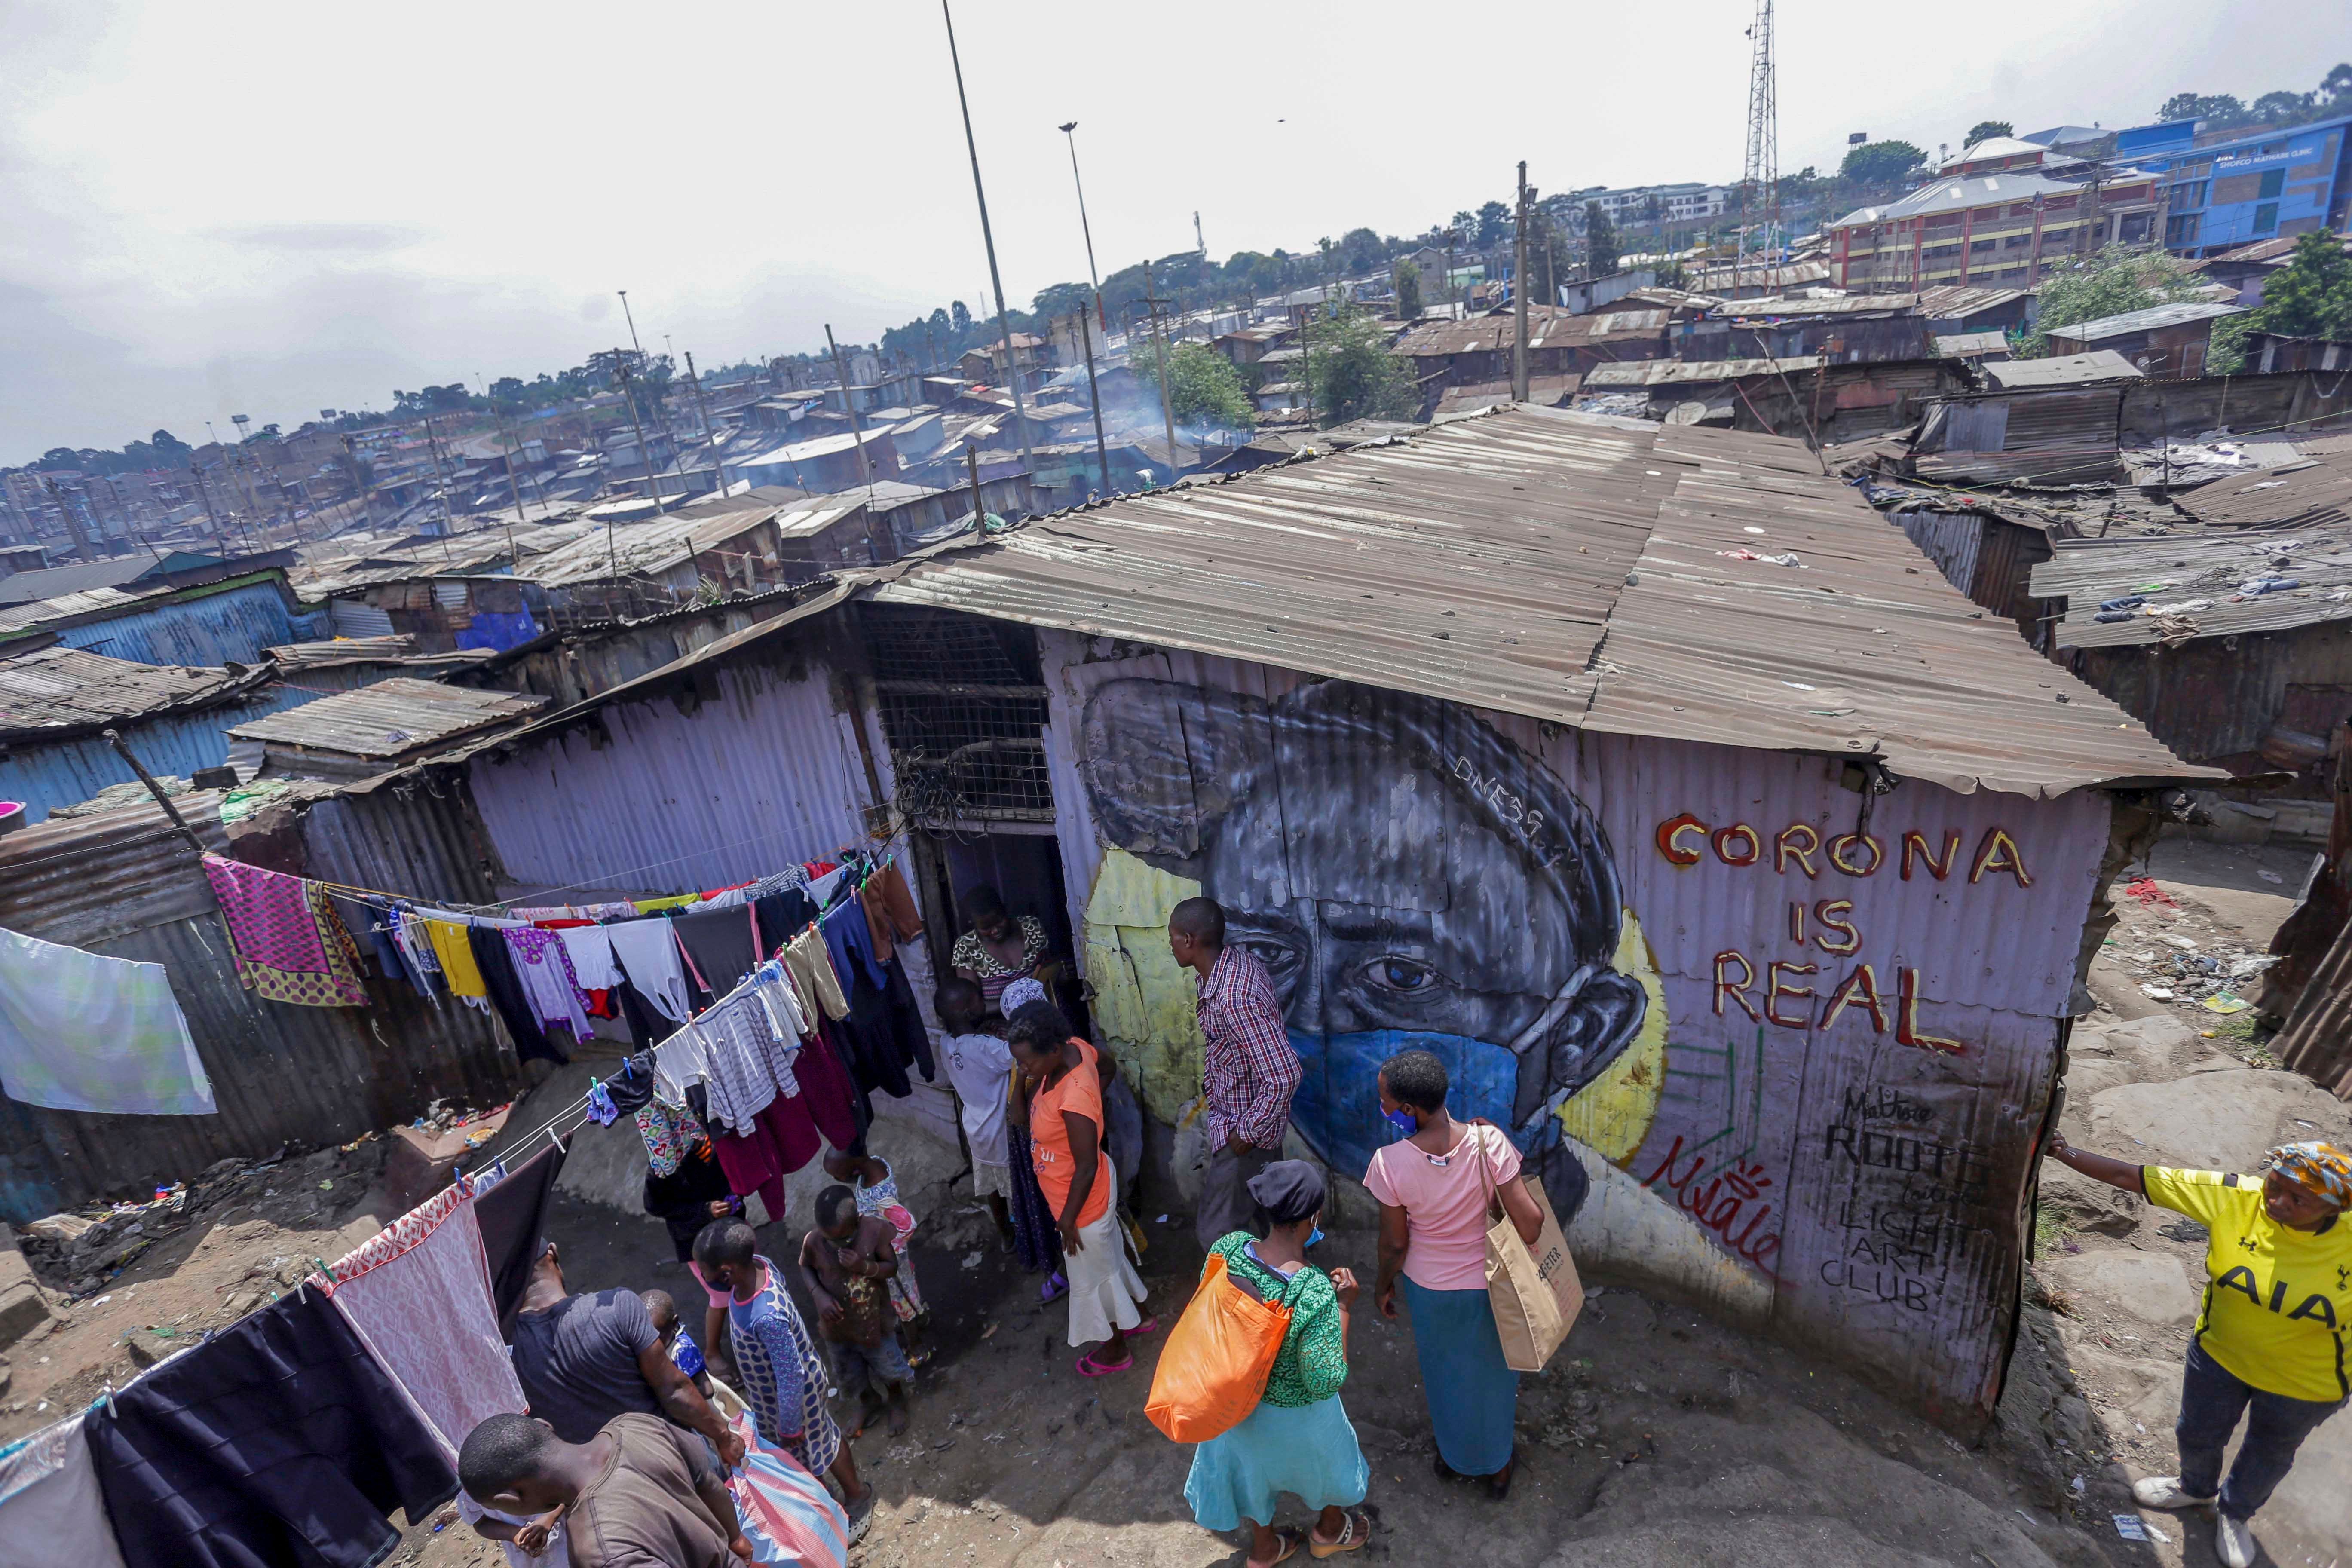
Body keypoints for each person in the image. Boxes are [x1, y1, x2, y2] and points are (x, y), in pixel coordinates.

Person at [2044, 1133, 2351, 1568]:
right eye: (2275, 1185)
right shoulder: (2236, 1198)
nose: (2278, 1202)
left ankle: (2235, 1514)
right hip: (2219, 1358)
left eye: (2298, 1200)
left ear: (2336, 1209)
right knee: (2196, 1432)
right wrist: (2060, 1150)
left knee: (2270, 1453)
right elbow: (2130, 1176)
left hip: (2305, 1386)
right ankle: (2195, 1488)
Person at [1366, 1049, 1544, 1500]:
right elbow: (1532, 1224)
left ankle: (1453, 1456)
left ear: (1410, 1109)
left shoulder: (1388, 1163)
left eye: (1385, 1101)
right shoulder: (1491, 1143)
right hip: (1493, 1286)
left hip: (1432, 1292)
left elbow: (1395, 1244)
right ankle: (1498, 1467)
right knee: (1495, 1379)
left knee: (1446, 1375)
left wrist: (1382, 1285)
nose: (1383, 1108)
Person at [1184, 1160, 1374, 1566]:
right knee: (1331, 1465)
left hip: (1234, 1407)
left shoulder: (1227, 1249)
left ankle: (1265, 1550)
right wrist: (1342, 1306)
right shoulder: (1314, 1290)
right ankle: (1327, 1532)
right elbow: (1325, 1379)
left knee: (1253, 1479)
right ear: (1314, 1219)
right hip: (1296, 1417)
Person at [692, 1219, 875, 1537]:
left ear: (727, 1273)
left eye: (708, 1276)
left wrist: (790, 1425)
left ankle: (855, 1498)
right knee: (813, 1451)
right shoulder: (759, 1268)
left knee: (818, 1450)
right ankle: (831, 1502)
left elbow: (790, 1373)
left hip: (795, 1400)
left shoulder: (767, 1317)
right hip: (779, 1399)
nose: (707, 1282)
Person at [1008, 999, 1154, 1375]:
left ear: (1053, 1050)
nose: (1023, 1070)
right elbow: (1106, 1066)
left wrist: (1068, 1221)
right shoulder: (1075, 1049)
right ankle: (1139, 1315)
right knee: (1108, 1260)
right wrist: (1094, 1103)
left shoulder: (1073, 1097)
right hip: (1087, 1193)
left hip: (1082, 1204)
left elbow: (1085, 1165)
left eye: (1028, 1063)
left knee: (1092, 1277)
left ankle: (1115, 1350)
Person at [508, 1241, 744, 1468]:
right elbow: (675, 1390)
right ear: (553, 1253)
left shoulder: (505, 1355)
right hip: (672, 1461)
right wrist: (725, 1438)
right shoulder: (618, 1308)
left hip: (609, 1493)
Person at [1169, 896, 1302, 1250]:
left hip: (1244, 1135)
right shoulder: (1231, 966)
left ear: (1189, 940)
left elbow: (1285, 1073)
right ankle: (1281, 1287)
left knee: (1217, 1235)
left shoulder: (1233, 996)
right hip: (1242, 1121)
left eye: (1172, 938)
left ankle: (1241, 1300)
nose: (1170, 945)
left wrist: (1247, 1131)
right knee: (1264, 1218)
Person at [458, 1412, 753, 1568]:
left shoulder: (598, 1551)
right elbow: (706, 1481)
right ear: (545, 1427)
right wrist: (736, 1539)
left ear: (509, 1499)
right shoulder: (634, 1424)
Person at [799, 1185, 916, 1439]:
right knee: (849, 1370)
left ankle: (896, 1399)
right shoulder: (815, 1241)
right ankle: (868, 1400)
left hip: (875, 1321)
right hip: (838, 1327)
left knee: (887, 1365)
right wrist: (818, 1295)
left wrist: (863, 1265)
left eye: (842, 1239)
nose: (835, 1244)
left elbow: (890, 1267)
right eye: (829, 1238)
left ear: (857, 1221)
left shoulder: (873, 1230)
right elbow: (806, 1267)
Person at [822, 1139, 930, 1365]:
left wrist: (886, 1250)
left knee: (899, 1297)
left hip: (890, 1258)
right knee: (907, 1291)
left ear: (854, 1170)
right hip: (889, 1249)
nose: (837, 1181)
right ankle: (919, 1315)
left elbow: (908, 1225)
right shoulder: (876, 1165)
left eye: (839, 1176)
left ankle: (916, 1347)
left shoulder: (879, 1195)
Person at [936, 977, 1019, 1250]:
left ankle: (1006, 1236)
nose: (985, 1002)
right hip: (1002, 1134)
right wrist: (1006, 1036)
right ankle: (1031, 1238)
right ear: (969, 1012)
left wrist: (984, 1032)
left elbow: (972, 1050)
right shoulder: (988, 1047)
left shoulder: (946, 1045)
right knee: (1018, 1190)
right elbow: (1017, 1054)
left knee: (993, 1189)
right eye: (980, 1000)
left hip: (977, 1133)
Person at [951, 884, 1054, 1014]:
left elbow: (1051, 970)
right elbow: (972, 1008)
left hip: (1045, 1012)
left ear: (1004, 911)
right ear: (973, 924)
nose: (995, 931)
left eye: (999, 921)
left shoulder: (1031, 926)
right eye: (986, 928)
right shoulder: (966, 948)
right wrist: (1018, 1003)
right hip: (1004, 1027)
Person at [643, 1132, 740, 1265]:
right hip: (696, 1238)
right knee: (720, 1282)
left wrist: (736, 1192)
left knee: (748, 1264)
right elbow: (654, 1206)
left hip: (733, 1223)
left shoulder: (711, 1137)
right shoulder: (662, 1164)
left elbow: (732, 1169)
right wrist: (704, 1211)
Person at [645, 1289, 712, 1400]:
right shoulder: (662, 1330)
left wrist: (668, 1394)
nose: (651, 1342)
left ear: (674, 1323)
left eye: (657, 1337)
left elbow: (708, 1391)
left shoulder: (683, 1351)